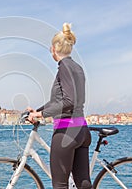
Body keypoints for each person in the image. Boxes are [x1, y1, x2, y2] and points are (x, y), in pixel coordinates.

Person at [27, 23, 92, 189]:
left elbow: (68, 102)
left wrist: (41, 116)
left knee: (60, 185)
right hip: (81, 131)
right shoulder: (77, 68)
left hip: (66, 132)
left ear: (54, 48)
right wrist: (38, 111)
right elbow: (60, 100)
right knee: (83, 184)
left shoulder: (64, 67)